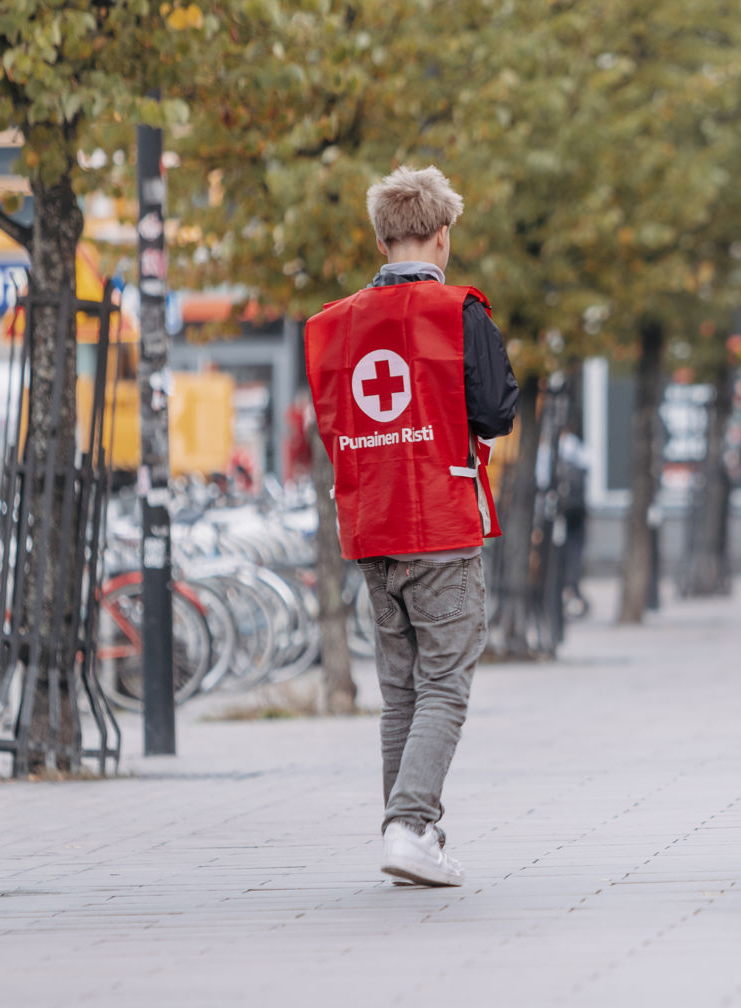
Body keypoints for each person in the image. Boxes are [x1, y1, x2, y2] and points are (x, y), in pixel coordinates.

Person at [304, 165, 519, 886]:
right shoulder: (460, 312)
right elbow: (495, 412)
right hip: (441, 522)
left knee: (400, 688)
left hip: (370, 524)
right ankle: (411, 826)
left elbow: (333, 425)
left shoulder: (331, 325)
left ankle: (407, 832)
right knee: (445, 684)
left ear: (379, 235)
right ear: (443, 234)